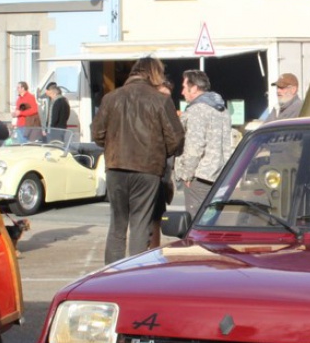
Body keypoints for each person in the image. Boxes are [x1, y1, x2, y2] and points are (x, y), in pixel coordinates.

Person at [92, 57, 184, 263]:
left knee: (117, 225)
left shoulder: (111, 98)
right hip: (147, 169)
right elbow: (176, 139)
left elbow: (97, 134)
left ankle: (112, 275)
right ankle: (134, 275)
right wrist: (160, 153)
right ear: (154, 73)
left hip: (116, 166)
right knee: (140, 225)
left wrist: (114, 147)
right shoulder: (160, 99)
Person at [176, 69, 235, 216]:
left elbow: (195, 147)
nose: (182, 92)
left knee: (196, 222)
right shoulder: (221, 109)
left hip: (201, 176)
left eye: (184, 87)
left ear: (194, 88)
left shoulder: (197, 110)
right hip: (221, 174)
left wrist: (187, 174)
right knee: (214, 220)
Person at [148, 78, 178, 249]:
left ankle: (153, 250)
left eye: (167, 96)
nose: (164, 99)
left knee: (156, 216)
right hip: (148, 168)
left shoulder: (168, 109)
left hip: (161, 170)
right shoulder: (148, 109)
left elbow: (175, 138)